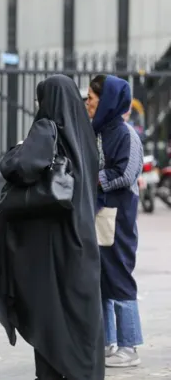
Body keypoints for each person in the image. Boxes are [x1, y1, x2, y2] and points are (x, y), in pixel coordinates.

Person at [0, 75, 105, 380]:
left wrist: (18, 149)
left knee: (49, 315)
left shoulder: (46, 128)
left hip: (53, 247)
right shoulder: (86, 136)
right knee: (81, 317)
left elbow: (20, 167)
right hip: (82, 241)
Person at [86, 74, 144, 367]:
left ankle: (129, 346)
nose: (87, 104)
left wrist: (92, 180)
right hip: (101, 214)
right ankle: (108, 341)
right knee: (102, 278)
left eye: (92, 99)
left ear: (107, 100)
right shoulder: (99, 130)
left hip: (118, 216)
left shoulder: (125, 134)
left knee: (119, 276)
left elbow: (126, 173)